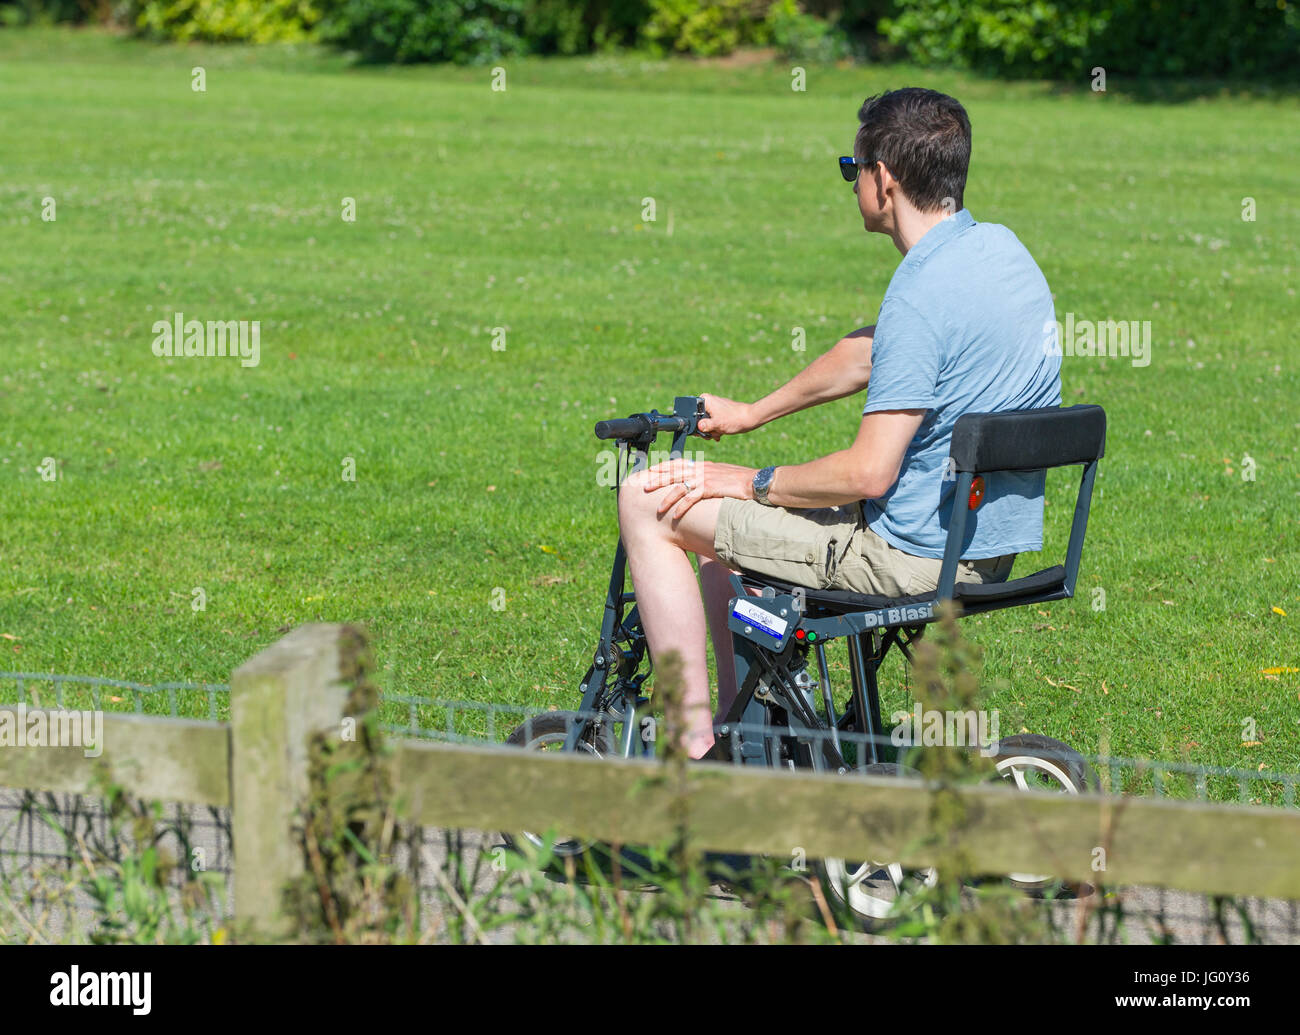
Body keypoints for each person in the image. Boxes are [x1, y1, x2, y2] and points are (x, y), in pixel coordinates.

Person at [617, 87, 1062, 759]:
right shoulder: (1000, 255)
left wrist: (747, 479)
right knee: (716, 543)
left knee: (647, 498)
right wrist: (753, 412)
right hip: (984, 542)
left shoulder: (920, 292)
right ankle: (757, 741)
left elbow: (868, 471)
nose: (852, 184)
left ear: (884, 179)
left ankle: (693, 746)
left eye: (852, 170)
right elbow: (877, 350)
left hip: (911, 557)